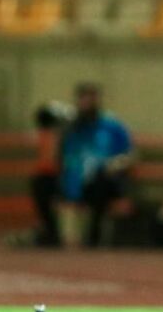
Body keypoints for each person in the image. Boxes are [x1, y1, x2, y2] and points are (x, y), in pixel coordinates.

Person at [31, 83, 133, 248]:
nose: (88, 103)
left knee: (101, 181)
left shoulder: (111, 126)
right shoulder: (69, 126)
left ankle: (94, 235)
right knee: (41, 182)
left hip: (99, 180)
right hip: (71, 177)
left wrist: (113, 164)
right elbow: (55, 156)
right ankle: (51, 233)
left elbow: (129, 154)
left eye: (91, 98)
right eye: (84, 98)